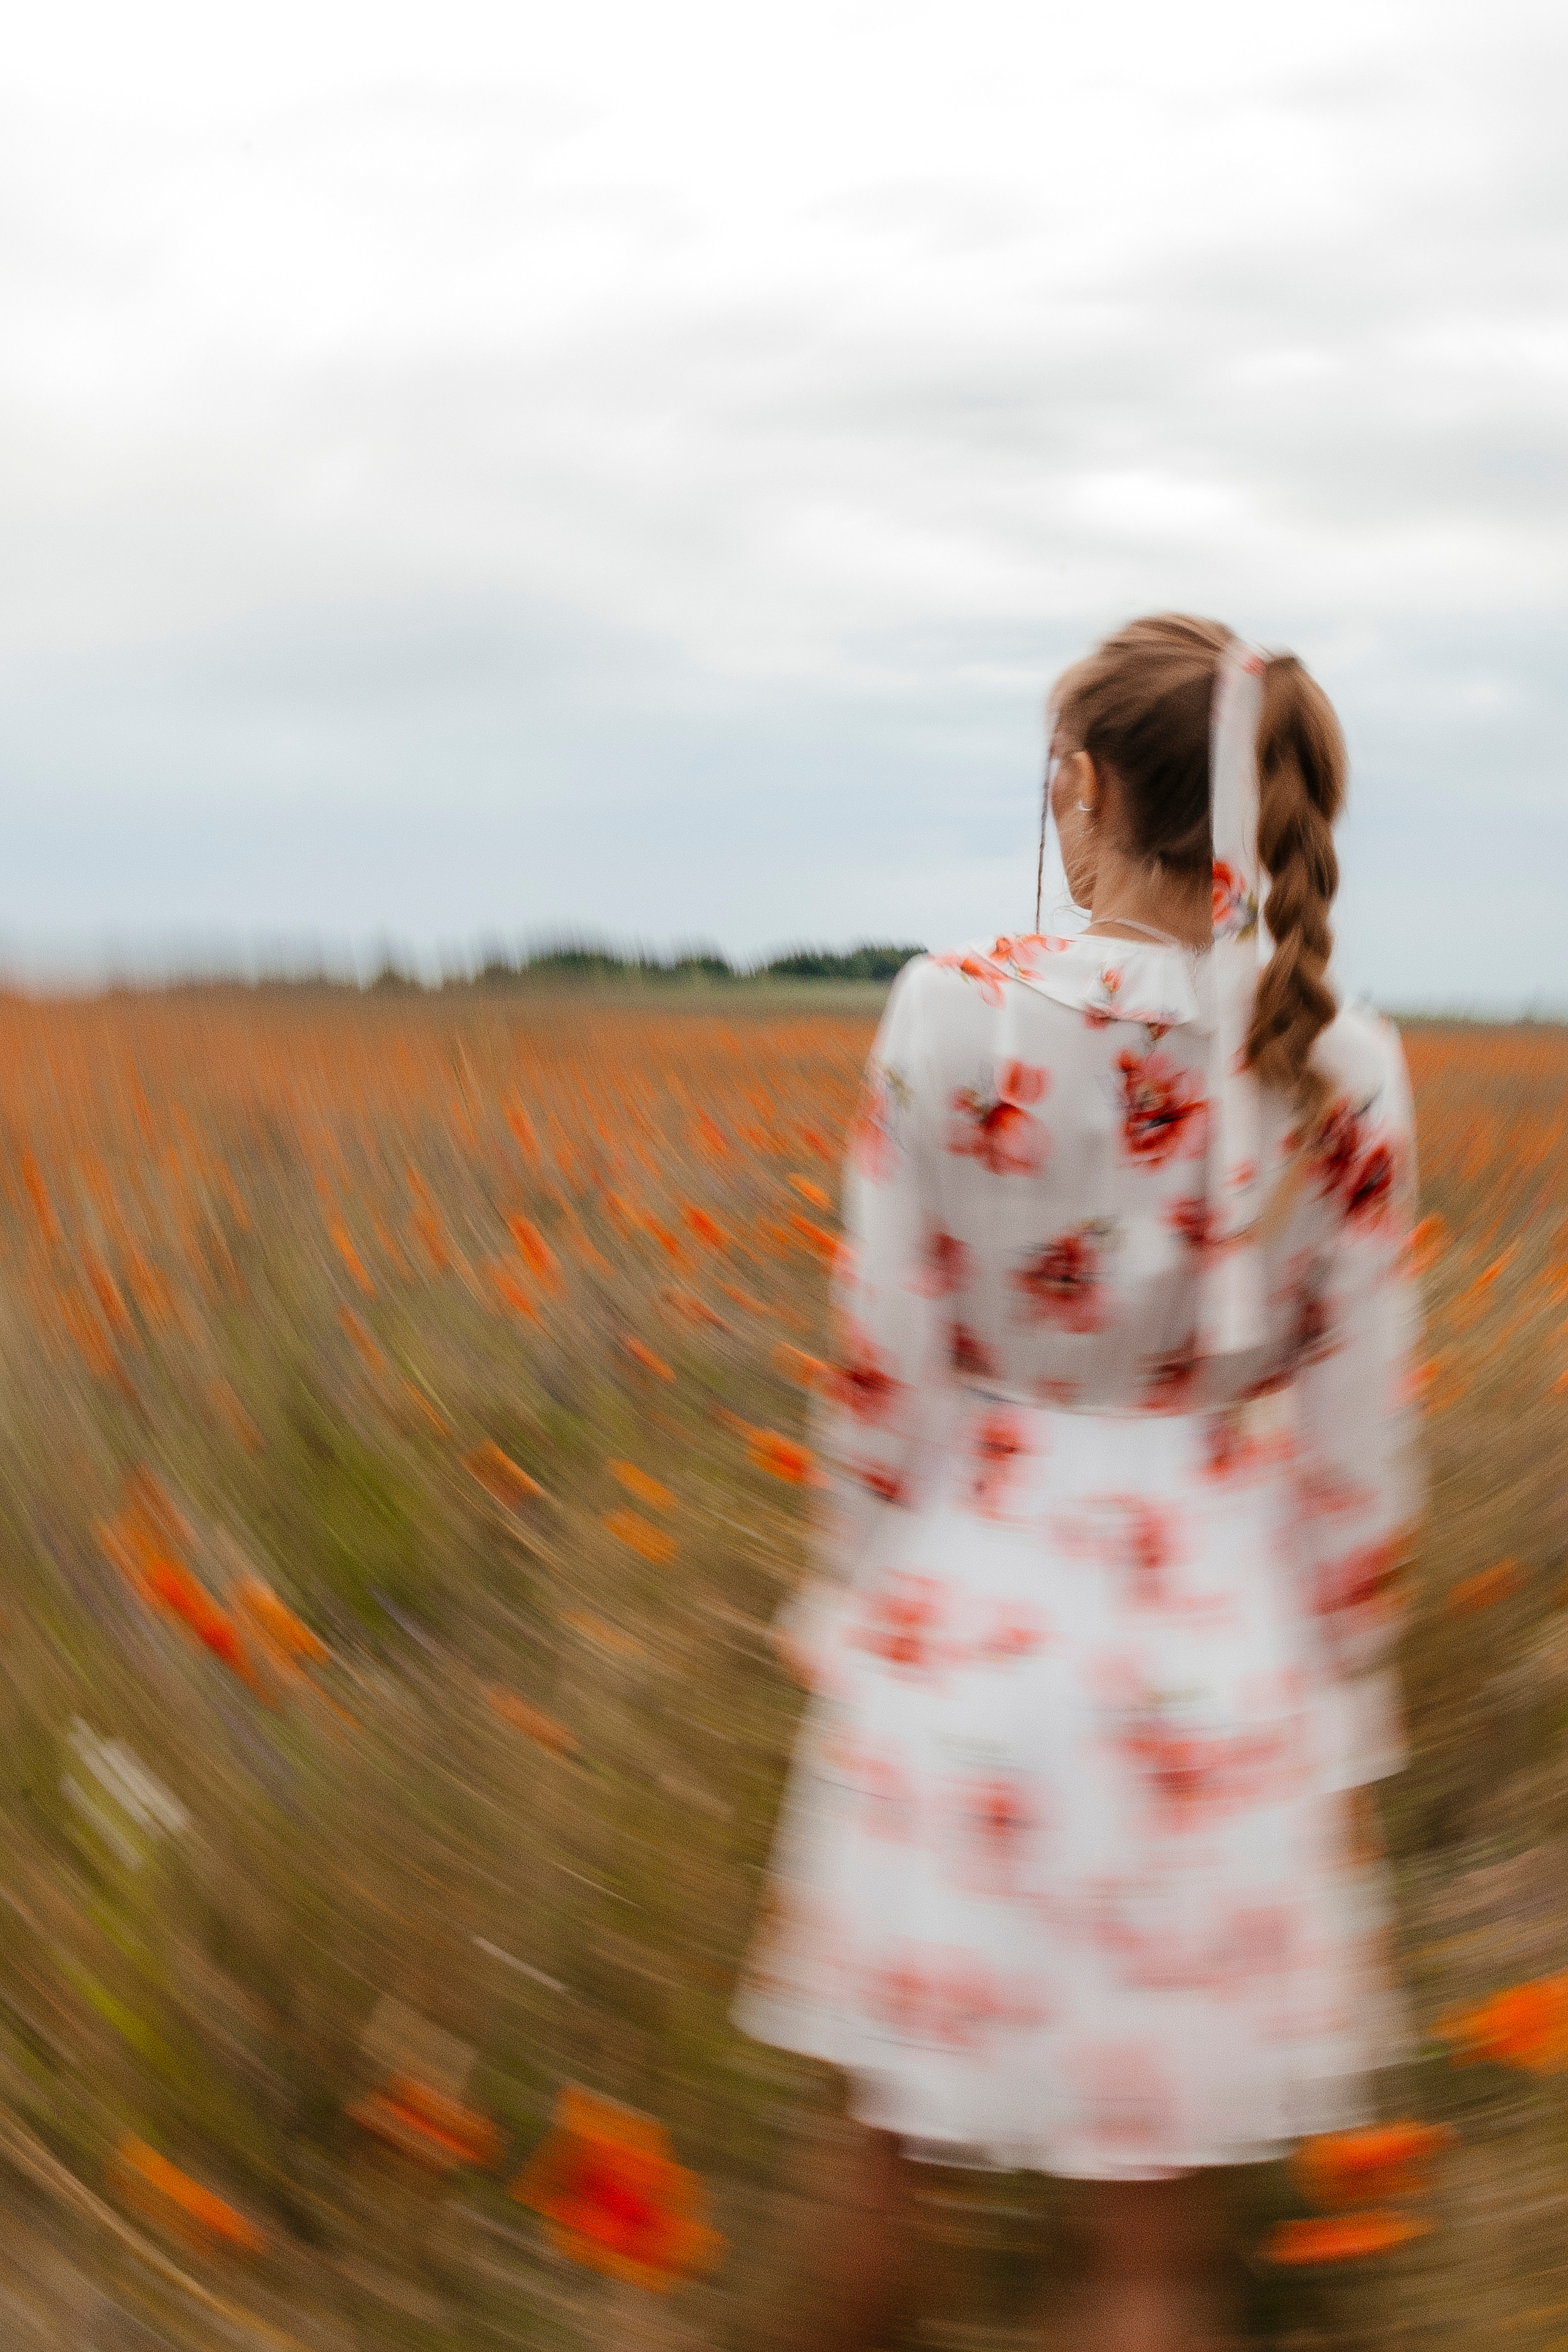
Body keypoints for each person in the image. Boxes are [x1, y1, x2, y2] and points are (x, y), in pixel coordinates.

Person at [734, 614, 1422, 2351]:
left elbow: (883, 1367)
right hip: (1215, 1652)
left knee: (886, 2161)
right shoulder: (1342, 1059)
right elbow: (1358, 1445)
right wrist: (1347, 1704)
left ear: (1087, 787)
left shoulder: (946, 1017)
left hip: (974, 1613)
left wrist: (846, 1595)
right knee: (1143, 2251)